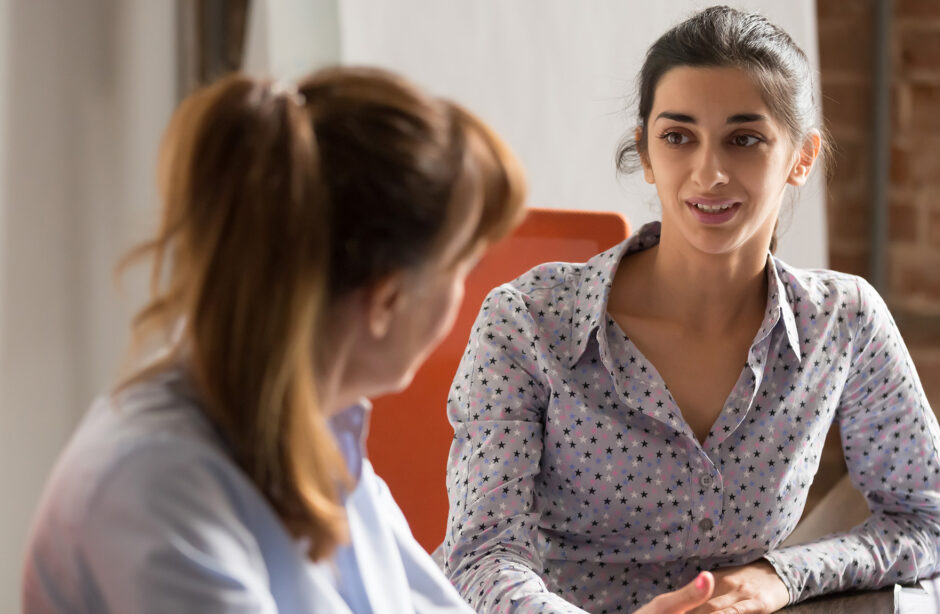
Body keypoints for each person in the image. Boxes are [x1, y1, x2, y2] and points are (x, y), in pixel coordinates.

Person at [21, 65, 720, 614]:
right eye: (460, 268)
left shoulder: (319, 432)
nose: (468, 295)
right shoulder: (156, 488)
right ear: (387, 297)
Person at [442, 6, 940, 613]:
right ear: (645, 151)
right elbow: (482, 555)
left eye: (744, 139)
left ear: (801, 157)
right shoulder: (526, 322)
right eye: (677, 137)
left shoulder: (843, 322)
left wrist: (780, 575)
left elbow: (927, 521)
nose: (709, 173)